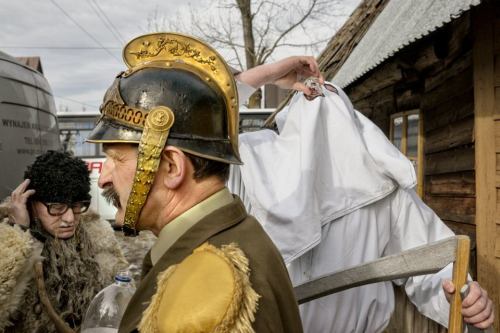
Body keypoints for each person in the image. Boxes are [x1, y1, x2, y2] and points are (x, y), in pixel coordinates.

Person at [228, 65, 495, 332]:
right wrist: (257, 76)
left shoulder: (384, 191)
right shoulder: (253, 174)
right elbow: (193, 131)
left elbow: (435, 267)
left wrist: (463, 299)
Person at [85, 32, 315, 333]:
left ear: (170, 167)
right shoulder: (227, 239)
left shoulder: (211, 291)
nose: (103, 177)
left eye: (117, 158)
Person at [0, 150, 127, 332]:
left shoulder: (99, 235)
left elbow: (118, 300)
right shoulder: (8, 242)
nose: (69, 218)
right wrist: (20, 234)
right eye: (57, 207)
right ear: (31, 203)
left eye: (76, 206)